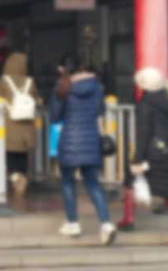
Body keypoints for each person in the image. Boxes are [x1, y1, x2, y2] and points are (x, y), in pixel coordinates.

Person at [51, 56, 116, 245]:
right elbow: (100, 111)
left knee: (67, 182)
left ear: (64, 69)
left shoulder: (63, 85)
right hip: (91, 140)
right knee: (93, 184)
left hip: (69, 140)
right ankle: (106, 223)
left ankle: (73, 223)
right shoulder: (96, 86)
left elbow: (55, 116)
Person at [117, 67, 168, 245]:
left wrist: (138, 159)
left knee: (167, 192)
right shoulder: (167, 99)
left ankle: (128, 219)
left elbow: (144, 134)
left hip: (151, 152)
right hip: (166, 148)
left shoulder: (145, 104)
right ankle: (128, 218)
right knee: (133, 180)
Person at [0, 52, 40, 196]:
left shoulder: (4, 81)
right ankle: (22, 175)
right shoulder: (30, 82)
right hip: (26, 126)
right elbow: (36, 99)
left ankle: (15, 178)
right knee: (22, 154)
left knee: (9, 154)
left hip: (9, 124)